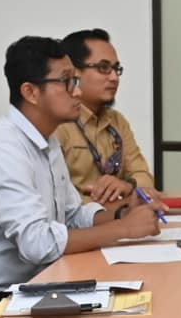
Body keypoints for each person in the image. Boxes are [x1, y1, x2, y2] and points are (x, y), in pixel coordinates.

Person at [0, 38, 162, 290]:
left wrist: (122, 213)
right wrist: (123, 229)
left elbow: (72, 216)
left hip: (36, 281)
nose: (77, 92)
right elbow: (37, 244)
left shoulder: (47, 140)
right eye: (67, 82)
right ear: (31, 92)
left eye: (76, 81)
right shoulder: (4, 147)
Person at [54, 29, 156, 207]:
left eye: (116, 69)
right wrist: (117, 205)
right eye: (103, 68)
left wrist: (127, 185)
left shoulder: (117, 121)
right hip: (81, 222)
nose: (114, 77)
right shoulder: (56, 124)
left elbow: (144, 177)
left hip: (120, 217)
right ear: (73, 72)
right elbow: (56, 200)